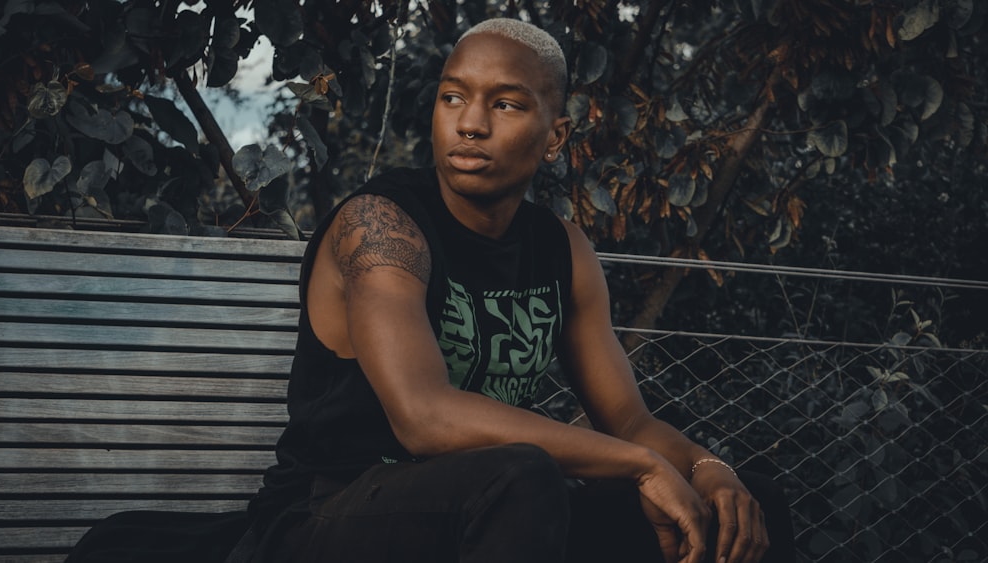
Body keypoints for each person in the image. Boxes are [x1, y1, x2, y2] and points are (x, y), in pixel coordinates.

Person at [243, 17, 796, 563]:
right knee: (521, 474)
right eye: (453, 97)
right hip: (329, 513)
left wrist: (707, 468)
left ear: (555, 136)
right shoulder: (381, 226)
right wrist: (643, 465)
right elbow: (424, 418)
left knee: (743, 509)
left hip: (496, 508)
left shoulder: (564, 250)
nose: (471, 124)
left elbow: (628, 421)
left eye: (505, 104)